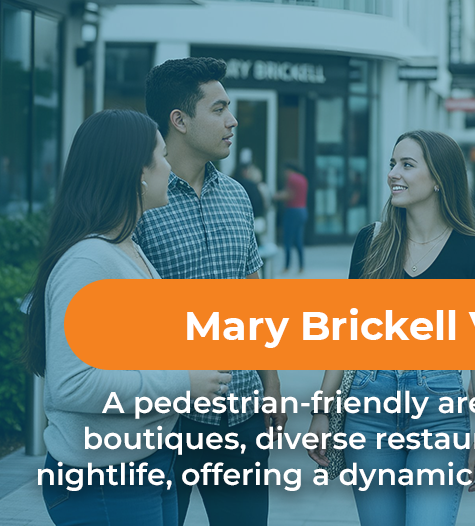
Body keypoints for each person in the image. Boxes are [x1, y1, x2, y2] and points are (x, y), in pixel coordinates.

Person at [22, 110, 230, 526]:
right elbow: (71, 385)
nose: (170, 166)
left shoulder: (123, 249)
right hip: (105, 482)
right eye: (161, 155)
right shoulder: (88, 260)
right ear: (137, 173)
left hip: (145, 464)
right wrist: (183, 383)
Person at [307, 130, 475, 526]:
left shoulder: (474, 251)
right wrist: (321, 410)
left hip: (440, 407)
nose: (394, 173)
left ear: (440, 178)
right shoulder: (372, 241)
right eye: (393, 164)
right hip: (369, 404)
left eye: (407, 165)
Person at [133, 57, 285, 526]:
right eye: (219, 109)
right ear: (179, 121)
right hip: (168, 423)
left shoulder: (237, 196)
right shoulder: (137, 202)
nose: (232, 121)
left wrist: (271, 380)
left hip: (240, 416)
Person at [272, 161, 309, 273]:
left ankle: (287, 266)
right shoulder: (303, 179)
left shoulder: (291, 179)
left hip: (292, 210)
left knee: (287, 239)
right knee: (298, 240)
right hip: (302, 210)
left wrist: (276, 196)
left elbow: (289, 195)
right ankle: (301, 266)